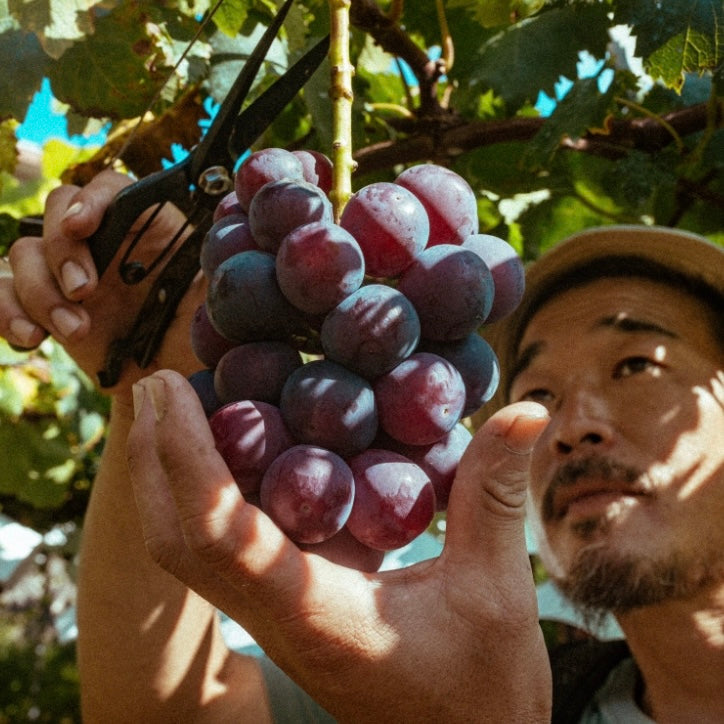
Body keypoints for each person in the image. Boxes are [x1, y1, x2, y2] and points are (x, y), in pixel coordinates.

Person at [1, 170, 722, 723]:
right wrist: (154, 384)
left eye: (636, 366)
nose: (571, 426)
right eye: (536, 396)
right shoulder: (549, 679)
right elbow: (165, 712)